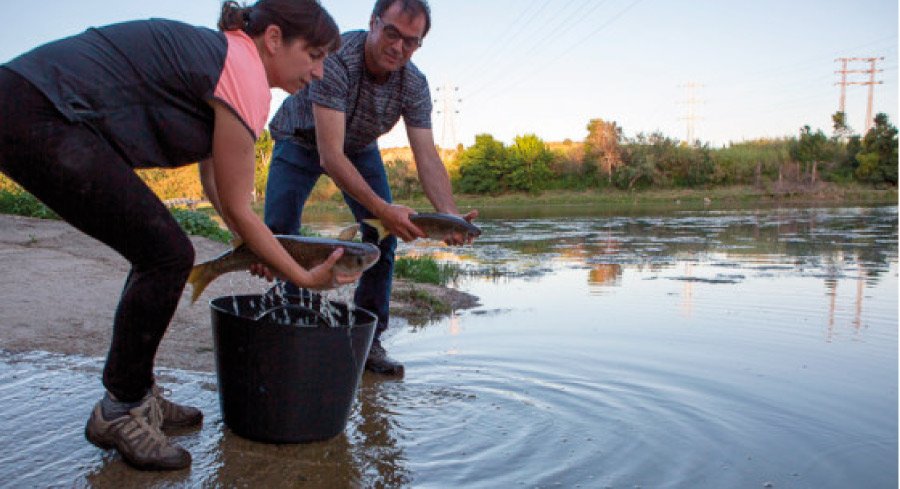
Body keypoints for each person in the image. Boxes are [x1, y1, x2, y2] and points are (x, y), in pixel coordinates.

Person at [0, 0, 351, 471]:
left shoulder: (231, 60)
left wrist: (251, 247)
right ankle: (120, 407)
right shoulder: (243, 70)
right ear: (273, 39)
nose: (320, 72)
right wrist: (305, 280)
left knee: (158, 249)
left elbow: (221, 191)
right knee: (165, 254)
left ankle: (135, 392)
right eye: (314, 55)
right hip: (35, 110)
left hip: (29, 106)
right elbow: (243, 209)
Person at [265, 0, 478, 376]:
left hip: (360, 146)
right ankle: (290, 322)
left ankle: (368, 339)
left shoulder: (413, 84)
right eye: (392, 33)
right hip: (300, 139)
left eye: (411, 42)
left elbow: (427, 157)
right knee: (280, 232)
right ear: (373, 23)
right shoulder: (337, 60)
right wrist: (383, 209)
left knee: (381, 238)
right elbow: (330, 156)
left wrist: (450, 218)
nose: (398, 48)